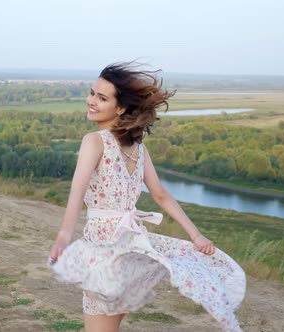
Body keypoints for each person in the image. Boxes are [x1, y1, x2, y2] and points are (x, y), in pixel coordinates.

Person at [48, 62, 246, 332]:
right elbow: (161, 195)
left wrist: (63, 238)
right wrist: (195, 235)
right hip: (131, 248)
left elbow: (77, 192)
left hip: (104, 250)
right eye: (92, 93)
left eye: (101, 97)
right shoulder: (138, 148)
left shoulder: (93, 140)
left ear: (120, 108)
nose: (91, 101)